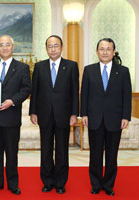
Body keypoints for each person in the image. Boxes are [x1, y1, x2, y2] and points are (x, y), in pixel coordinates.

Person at [81, 38, 132, 196]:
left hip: (115, 119)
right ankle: (96, 184)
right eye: (101, 49)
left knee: (112, 155)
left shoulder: (123, 71)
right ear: (97, 52)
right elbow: (84, 94)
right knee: (95, 154)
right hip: (94, 118)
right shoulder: (89, 70)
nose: (104, 52)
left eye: (108, 49)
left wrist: (126, 116)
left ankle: (109, 185)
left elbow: (127, 96)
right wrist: (84, 114)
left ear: (113, 51)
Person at [29, 35, 79, 194]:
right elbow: (34, 91)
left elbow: (74, 92)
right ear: (46, 48)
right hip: (44, 114)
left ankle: (60, 182)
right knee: (46, 149)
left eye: (56, 46)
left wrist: (74, 113)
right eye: (50, 46)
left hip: (64, 114)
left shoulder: (71, 66)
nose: (53, 49)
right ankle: (47, 181)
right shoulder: (39, 66)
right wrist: (33, 111)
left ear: (61, 47)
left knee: (62, 150)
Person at [0, 35, 31, 195]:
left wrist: (12, 101)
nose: (4, 48)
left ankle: (13, 184)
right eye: (1, 45)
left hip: (11, 117)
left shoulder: (22, 68)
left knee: (12, 153)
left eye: (7, 45)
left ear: (13, 47)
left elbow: (26, 89)